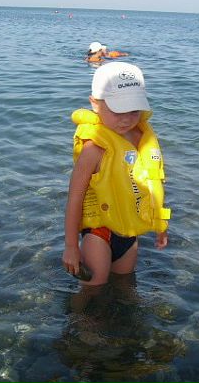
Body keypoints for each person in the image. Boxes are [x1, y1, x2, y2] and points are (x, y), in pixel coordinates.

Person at [63, 62, 171, 285]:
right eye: (117, 110)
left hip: (128, 234)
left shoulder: (141, 140)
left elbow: (153, 182)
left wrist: (161, 225)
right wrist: (71, 247)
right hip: (99, 233)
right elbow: (74, 198)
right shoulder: (93, 149)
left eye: (134, 110)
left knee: (125, 286)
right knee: (93, 291)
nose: (126, 119)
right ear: (95, 103)